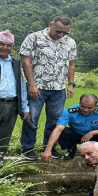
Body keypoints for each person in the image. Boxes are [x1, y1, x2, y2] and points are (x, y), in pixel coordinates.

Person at [19, 16, 77, 159]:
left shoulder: (70, 42)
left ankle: (49, 147)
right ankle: (27, 148)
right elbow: (25, 61)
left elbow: (71, 64)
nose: (61, 35)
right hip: (38, 86)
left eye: (65, 32)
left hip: (58, 88)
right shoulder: (34, 38)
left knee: (55, 119)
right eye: (58, 31)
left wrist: (70, 84)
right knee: (32, 117)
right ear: (50, 25)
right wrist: (32, 84)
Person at [41, 94, 98, 161]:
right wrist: (48, 150)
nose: (86, 110)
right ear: (79, 103)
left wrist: (92, 132)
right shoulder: (70, 111)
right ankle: (71, 148)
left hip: (96, 137)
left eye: (90, 108)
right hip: (77, 135)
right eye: (83, 106)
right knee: (54, 127)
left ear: (96, 106)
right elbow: (58, 129)